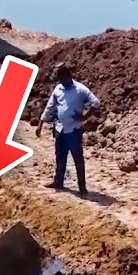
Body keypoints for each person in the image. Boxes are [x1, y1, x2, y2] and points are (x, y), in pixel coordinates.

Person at [34, 62, 100, 196]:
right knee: (60, 157)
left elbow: (96, 103)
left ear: (69, 75)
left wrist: (85, 117)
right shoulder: (58, 89)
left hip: (74, 131)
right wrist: (40, 124)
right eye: (60, 79)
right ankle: (58, 182)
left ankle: (82, 187)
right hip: (60, 129)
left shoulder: (80, 89)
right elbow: (50, 107)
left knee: (77, 159)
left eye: (63, 78)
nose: (62, 82)